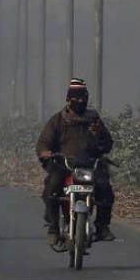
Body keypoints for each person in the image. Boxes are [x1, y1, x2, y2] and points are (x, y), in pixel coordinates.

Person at [36, 78, 115, 245]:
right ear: (68, 99)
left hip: (90, 165)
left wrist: (99, 135)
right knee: (51, 189)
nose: (79, 101)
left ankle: (102, 226)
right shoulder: (58, 120)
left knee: (105, 189)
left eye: (82, 97)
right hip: (64, 165)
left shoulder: (94, 120)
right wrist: (46, 153)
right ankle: (54, 228)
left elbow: (107, 143)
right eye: (75, 98)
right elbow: (44, 142)